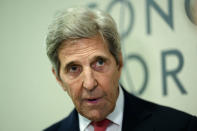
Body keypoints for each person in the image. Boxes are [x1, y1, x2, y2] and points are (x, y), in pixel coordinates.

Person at [44, 7, 197, 131]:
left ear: (119, 63)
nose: (90, 84)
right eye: (74, 68)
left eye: (99, 63)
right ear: (58, 78)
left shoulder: (182, 126)